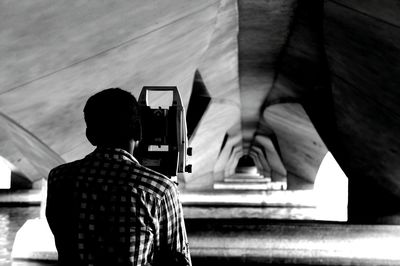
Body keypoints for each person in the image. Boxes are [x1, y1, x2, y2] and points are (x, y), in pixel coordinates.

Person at [46, 88, 191, 266]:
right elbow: (177, 260)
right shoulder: (159, 190)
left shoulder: (59, 179)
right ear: (139, 132)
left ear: (90, 136)